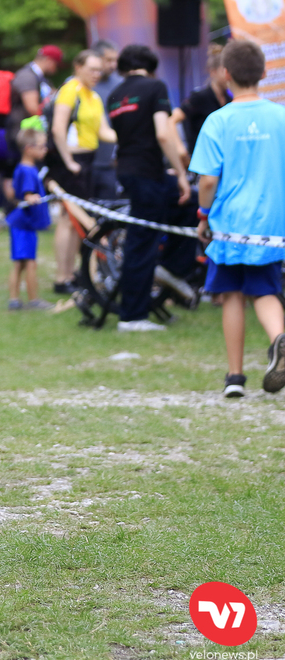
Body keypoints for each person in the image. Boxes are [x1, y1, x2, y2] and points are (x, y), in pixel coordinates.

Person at [190, 39, 285, 397]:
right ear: (264, 72)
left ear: (225, 74)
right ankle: (279, 338)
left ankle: (234, 378)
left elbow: (207, 181)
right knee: (265, 289)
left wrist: (203, 216)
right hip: (271, 225)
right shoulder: (281, 117)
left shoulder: (218, 120)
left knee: (230, 294)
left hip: (229, 224)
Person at [107, 45, 192, 332]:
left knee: (188, 204)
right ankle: (132, 317)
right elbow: (163, 133)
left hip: (129, 170)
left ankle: (170, 268)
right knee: (142, 242)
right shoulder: (156, 87)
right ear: (151, 66)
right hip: (147, 172)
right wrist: (180, 172)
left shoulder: (115, 95)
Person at [47, 49, 117, 294]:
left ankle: (74, 274)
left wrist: (133, 135)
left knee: (77, 219)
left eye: (99, 70)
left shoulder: (93, 96)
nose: (97, 74)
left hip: (88, 160)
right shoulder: (70, 90)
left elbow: (104, 131)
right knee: (68, 218)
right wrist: (68, 162)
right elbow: (58, 129)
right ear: (78, 67)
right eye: (92, 69)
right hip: (71, 161)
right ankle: (62, 277)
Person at [3, 46, 62, 201]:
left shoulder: (40, 78)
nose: (56, 69)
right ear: (49, 60)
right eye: (56, 64)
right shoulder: (27, 76)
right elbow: (32, 107)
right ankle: (17, 207)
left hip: (32, 135)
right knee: (24, 174)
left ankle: (33, 204)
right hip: (23, 136)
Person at [7, 129, 54, 311]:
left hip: (24, 224)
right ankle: (33, 300)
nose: (45, 150)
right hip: (23, 225)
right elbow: (26, 193)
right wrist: (30, 197)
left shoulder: (28, 168)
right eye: (41, 146)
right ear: (28, 148)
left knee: (20, 263)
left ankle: (15, 299)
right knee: (29, 263)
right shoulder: (27, 170)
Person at [171, 44, 232, 165]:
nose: (228, 76)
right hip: (201, 161)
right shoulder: (200, 97)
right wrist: (179, 148)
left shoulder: (229, 99)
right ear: (213, 72)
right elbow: (172, 119)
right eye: (224, 71)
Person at [91, 39, 123, 199]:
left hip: (110, 162)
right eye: (109, 60)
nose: (113, 65)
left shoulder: (120, 84)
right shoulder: (80, 86)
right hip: (85, 160)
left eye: (115, 60)